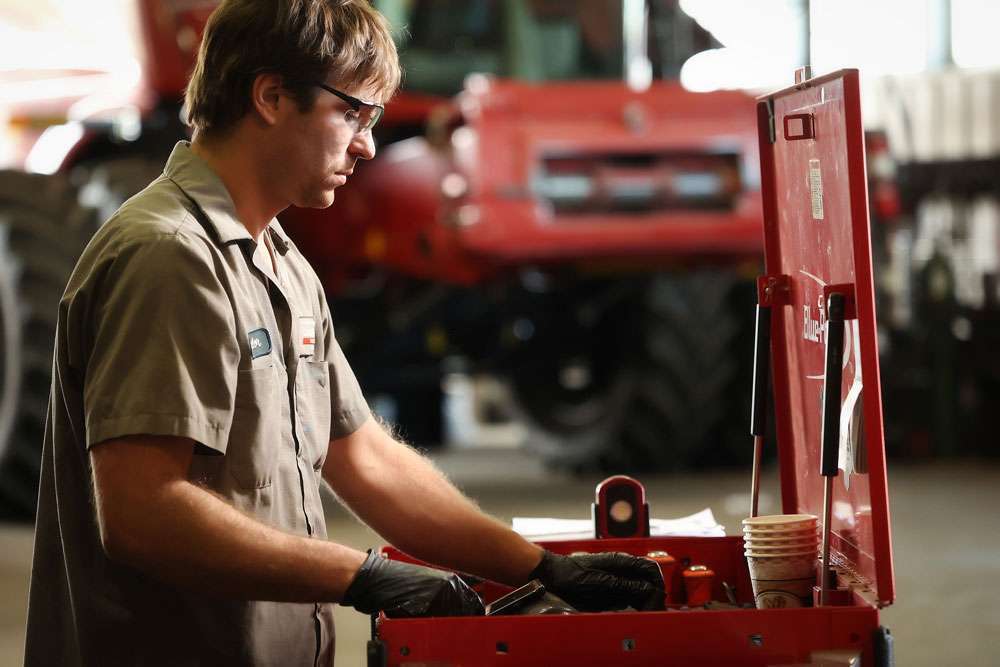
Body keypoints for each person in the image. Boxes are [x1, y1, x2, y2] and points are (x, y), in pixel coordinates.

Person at [24, 1, 664, 665]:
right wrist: (359, 575)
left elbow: (362, 456)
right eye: (352, 113)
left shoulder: (281, 259)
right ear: (271, 96)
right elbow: (141, 510)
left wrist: (538, 566)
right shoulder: (169, 257)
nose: (367, 143)